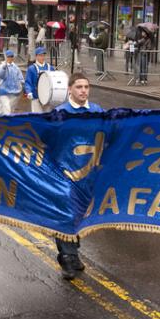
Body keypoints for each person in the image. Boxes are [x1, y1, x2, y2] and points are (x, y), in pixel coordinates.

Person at [53, 73, 104, 279]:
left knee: (81, 215)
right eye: (79, 87)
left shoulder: (97, 111)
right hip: (66, 174)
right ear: (70, 90)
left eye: (86, 87)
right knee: (66, 214)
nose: (83, 91)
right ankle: (66, 257)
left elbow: (116, 128)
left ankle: (73, 253)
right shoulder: (60, 113)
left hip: (89, 174)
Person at [0, 50, 23, 115]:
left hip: (14, 93)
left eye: (11, 57)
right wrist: (3, 68)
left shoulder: (16, 68)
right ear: (6, 57)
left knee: (6, 108)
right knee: (7, 107)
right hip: (3, 92)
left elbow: (21, 79)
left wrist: (21, 87)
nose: (10, 58)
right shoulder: (1, 67)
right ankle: (6, 122)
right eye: (8, 57)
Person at [24, 47, 54, 113]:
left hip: (48, 97)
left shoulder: (50, 68)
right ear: (36, 56)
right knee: (37, 116)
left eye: (43, 55)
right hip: (35, 96)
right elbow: (28, 82)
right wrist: (29, 92)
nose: (42, 57)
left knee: (48, 116)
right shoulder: (31, 68)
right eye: (40, 55)